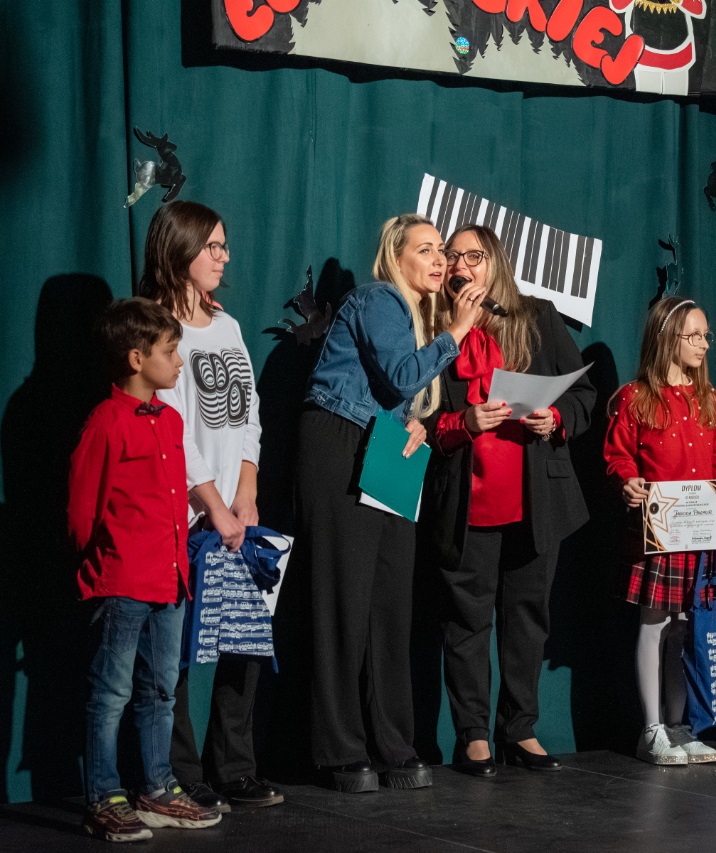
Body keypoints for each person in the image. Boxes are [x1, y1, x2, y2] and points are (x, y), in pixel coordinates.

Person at [297, 214, 487, 792]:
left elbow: (401, 395)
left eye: (441, 251)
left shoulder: (419, 319)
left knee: (389, 604)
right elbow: (402, 375)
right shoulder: (379, 297)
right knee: (345, 599)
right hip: (340, 440)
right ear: (395, 257)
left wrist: (417, 424)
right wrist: (457, 331)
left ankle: (395, 745)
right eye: (426, 250)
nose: (440, 261)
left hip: (386, 449)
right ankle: (339, 749)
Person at [422, 224, 595, 777]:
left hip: (535, 496)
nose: (460, 266)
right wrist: (463, 422)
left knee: (527, 618)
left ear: (495, 261)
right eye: (451, 257)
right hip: (467, 498)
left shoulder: (537, 317)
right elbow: (420, 419)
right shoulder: (435, 328)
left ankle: (519, 728)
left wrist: (557, 418)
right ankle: (473, 736)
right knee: (467, 621)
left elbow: (583, 395)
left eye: (472, 256)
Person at [134, 200, 280, 812]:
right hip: (187, 514)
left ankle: (234, 767)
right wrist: (213, 505)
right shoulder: (157, 329)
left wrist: (246, 492)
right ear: (181, 249)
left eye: (224, 245)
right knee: (178, 650)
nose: (224, 257)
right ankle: (180, 772)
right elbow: (175, 430)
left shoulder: (228, 325)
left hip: (236, 509)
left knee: (243, 637)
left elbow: (248, 414)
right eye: (212, 246)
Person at [69, 298, 222, 842]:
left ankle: (157, 787)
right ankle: (102, 796)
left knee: (160, 691)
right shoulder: (106, 422)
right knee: (111, 693)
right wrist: (102, 570)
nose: (179, 362)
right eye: (170, 352)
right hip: (124, 582)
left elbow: (176, 499)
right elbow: (82, 513)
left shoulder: (171, 420)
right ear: (137, 359)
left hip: (170, 579)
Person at [603, 297, 716, 766]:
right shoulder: (635, 397)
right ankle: (651, 729)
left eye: (706, 335)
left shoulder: (707, 397)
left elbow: (715, 454)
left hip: (698, 534)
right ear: (666, 339)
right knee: (655, 623)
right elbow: (618, 455)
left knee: (683, 629)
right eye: (693, 335)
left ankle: (678, 726)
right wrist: (626, 480)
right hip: (659, 534)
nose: (704, 344)